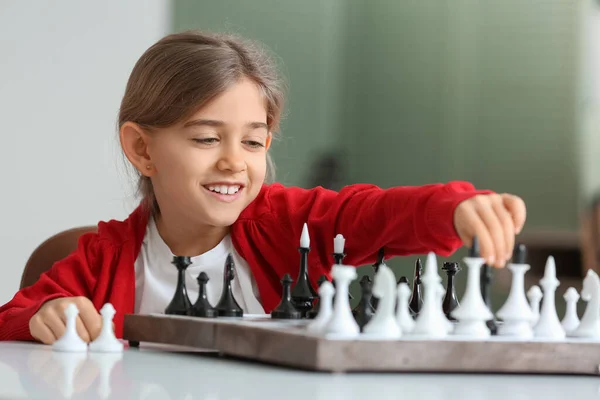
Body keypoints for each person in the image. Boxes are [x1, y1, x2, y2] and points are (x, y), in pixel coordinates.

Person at [0, 31, 526, 344]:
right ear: (142, 149)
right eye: (207, 138)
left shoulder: (288, 225)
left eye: (253, 143)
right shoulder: (103, 258)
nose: (234, 162)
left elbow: (371, 213)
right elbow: (13, 317)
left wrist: (454, 208)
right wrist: (47, 315)